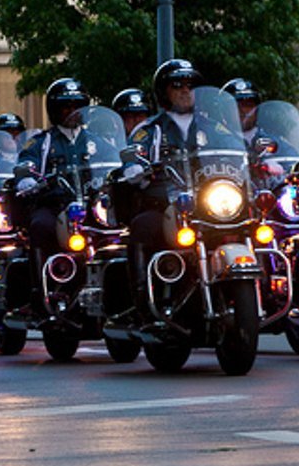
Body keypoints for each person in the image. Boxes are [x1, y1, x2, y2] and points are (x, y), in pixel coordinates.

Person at [116, 58, 209, 318]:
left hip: (209, 205)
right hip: (165, 206)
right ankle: (143, 301)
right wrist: (134, 166)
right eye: (177, 85)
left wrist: (259, 162)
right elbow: (135, 152)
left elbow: (236, 147)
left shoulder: (211, 126)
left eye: (191, 85)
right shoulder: (150, 129)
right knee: (142, 226)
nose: (185, 91)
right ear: (163, 92)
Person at [12, 77, 98, 258]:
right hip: (55, 206)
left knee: (119, 229)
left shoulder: (98, 141)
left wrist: (128, 169)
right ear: (54, 110)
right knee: (40, 225)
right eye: (66, 107)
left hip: (92, 205)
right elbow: (26, 161)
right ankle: (41, 281)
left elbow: (114, 164)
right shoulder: (41, 142)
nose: (72, 111)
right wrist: (26, 177)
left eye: (77, 106)